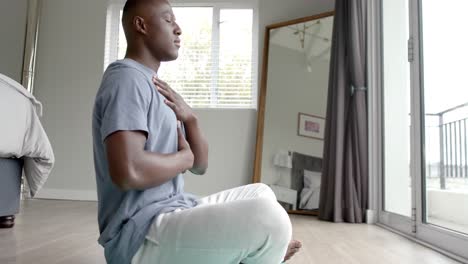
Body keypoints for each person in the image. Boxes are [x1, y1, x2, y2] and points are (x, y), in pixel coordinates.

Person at [92, 0, 302, 263]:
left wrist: (190, 118)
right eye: (169, 20)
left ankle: (257, 253)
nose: (178, 29)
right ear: (141, 25)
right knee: (271, 218)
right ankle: (261, 253)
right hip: (139, 234)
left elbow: (200, 165)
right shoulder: (126, 79)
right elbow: (128, 171)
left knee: (262, 193)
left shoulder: (157, 87)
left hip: (174, 209)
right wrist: (184, 159)